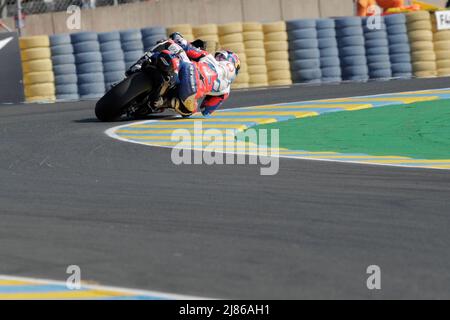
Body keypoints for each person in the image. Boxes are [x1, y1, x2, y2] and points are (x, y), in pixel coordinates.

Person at [129, 33, 240, 117]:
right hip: (190, 94)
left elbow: (186, 46)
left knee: (167, 43)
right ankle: (163, 102)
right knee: (190, 110)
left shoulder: (209, 58)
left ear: (226, 58)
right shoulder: (225, 91)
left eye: (220, 56)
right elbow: (206, 110)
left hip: (188, 70)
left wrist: (177, 37)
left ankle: (139, 64)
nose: (218, 57)